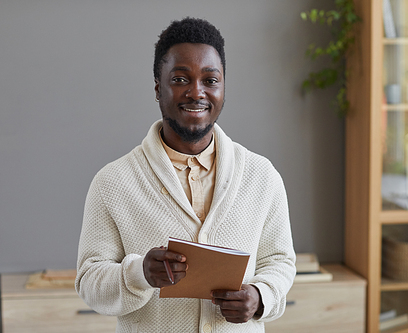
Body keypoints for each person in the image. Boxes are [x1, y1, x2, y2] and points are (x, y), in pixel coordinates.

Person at [75, 17, 296, 333]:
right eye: (180, 79)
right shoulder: (113, 182)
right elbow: (89, 281)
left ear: (222, 86)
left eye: (210, 80)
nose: (197, 92)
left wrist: (261, 296)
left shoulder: (262, 176)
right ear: (157, 88)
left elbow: (280, 263)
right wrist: (140, 274)